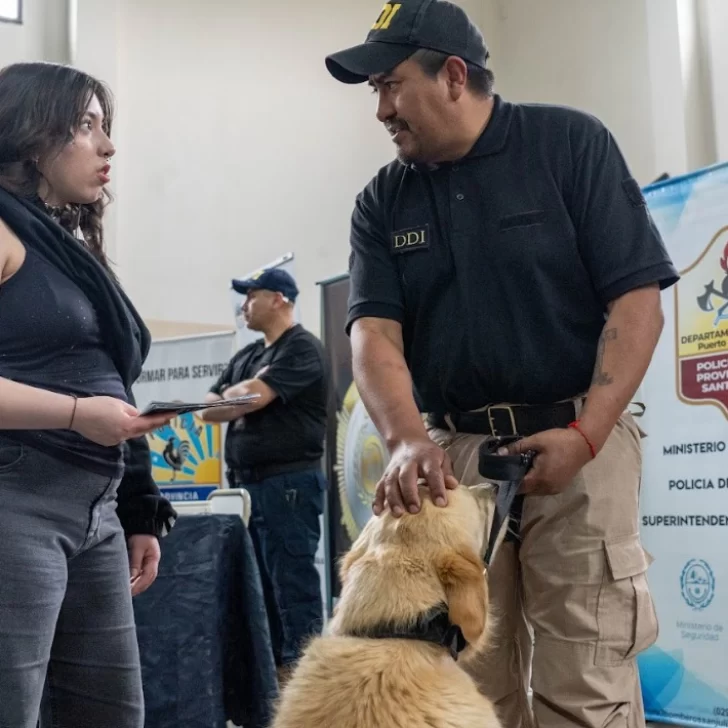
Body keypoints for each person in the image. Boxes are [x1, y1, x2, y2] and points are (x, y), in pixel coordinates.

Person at [324, 2, 679, 726]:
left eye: (391, 85)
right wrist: (406, 441)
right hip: (452, 465)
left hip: (580, 442)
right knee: (465, 688)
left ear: (454, 76)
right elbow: (374, 335)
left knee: (586, 683)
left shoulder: (570, 145)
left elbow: (637, 304)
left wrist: (587, 435)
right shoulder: (382, 201)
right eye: (376, 92)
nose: (382, 110)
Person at [0, 62, 177, 728]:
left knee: (111, 715)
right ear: (31, 135)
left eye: (106, 126)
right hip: (16, 505)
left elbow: (111, 378)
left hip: (95, 514)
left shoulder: (66, 246)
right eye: (85, 125)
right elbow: (92, 402)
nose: (108, 146)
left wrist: (138, 509)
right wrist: (77, 414)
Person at [201, 268, 329, 685]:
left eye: (251, 295)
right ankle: (271, 675)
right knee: (257, 586)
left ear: (279, 299)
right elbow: (207, 407)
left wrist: (241, 395)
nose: (244, 305)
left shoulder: (302, 348)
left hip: (287, 485)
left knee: (291, 584)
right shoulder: (248, 355)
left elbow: (252, 398)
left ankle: (306, 679)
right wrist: (240, 394)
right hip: (244, 488)